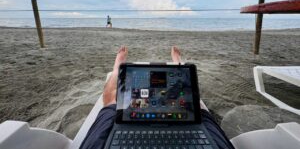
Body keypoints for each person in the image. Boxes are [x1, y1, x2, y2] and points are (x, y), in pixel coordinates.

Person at [80, 46, 235, 149]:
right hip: (185, 128)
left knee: (110, 103)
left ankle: (117, 70)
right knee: (197, 109)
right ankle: (179, 67)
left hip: (129, 123)